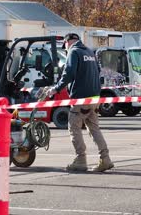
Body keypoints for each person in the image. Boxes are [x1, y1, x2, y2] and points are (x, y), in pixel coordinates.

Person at [47, 33, 114, 172]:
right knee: (94, 129)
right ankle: (105, 158)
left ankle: (80, 159)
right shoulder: (89, 51)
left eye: (65, 45)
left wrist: (56, 89)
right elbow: (98, 71)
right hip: (94, 98)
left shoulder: (74, 51)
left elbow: (68, 73)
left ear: (68, 42)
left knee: (73, 127)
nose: (65, 48)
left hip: (80, 99)